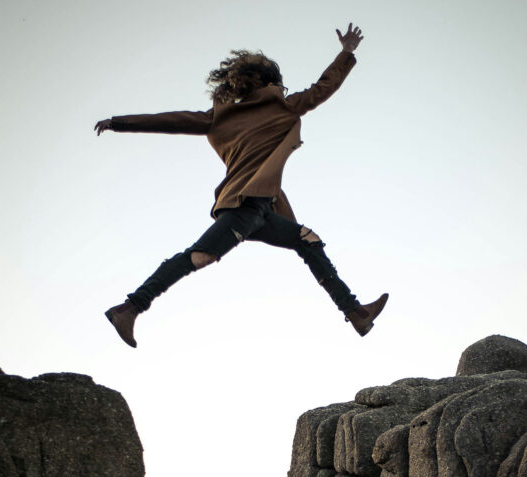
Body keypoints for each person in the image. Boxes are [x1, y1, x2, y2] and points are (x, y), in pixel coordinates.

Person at [96, 23, 387, 348]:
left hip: (262, 209)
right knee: (200, 256)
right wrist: (346, 52)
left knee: (307, 240)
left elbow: (171, 119)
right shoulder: (282, 106)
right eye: (279, 82)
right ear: (271, 83)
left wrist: (120, 122)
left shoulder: (221, 116)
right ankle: (130, 308)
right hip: (244, 207)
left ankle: (355, 312)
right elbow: (323, 88)